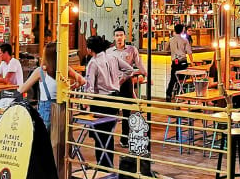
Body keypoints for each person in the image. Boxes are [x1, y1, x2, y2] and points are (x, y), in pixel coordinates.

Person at [84, 35, 134, 169]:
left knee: (100, 135)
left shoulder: (93, 63)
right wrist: (119, 81)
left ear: (90, 49)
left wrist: (84, 103)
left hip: (100, 101)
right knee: (109, 134)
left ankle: (103, 166)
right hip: (114, 98)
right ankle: (108, 165)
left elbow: (89, 87)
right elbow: (129, 70)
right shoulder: (112, 57)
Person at [19, 42, 85, 129]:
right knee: (60, 138)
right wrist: (73, 86)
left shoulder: (40, 71)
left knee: (45, 139)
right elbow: (82, 81)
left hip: (46, 109)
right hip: (63, 109)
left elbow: (22, 89)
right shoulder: (65, 69)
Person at [107, 27, 147, 146]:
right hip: (114, 83)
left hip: (127, 83)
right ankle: (109, 139)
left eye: (121, 35)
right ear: (114, 37)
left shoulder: (131, 49)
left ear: (125, 36)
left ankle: (124, 138)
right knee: (112, 111)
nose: (119, 37)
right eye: (117, 35)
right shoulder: (109, 52)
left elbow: (139, 63)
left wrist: (147, 75)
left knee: (126, 112)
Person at [166, 23, 193, 101]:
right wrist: (192, 61)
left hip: (175, 62)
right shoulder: (185, 40)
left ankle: (169, 94)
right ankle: (179, 95)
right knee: (182, 79)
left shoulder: (171, 40)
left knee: (173, 79)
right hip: (183, 61)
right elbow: (189, 52)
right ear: (182, 30)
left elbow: (166, 49)